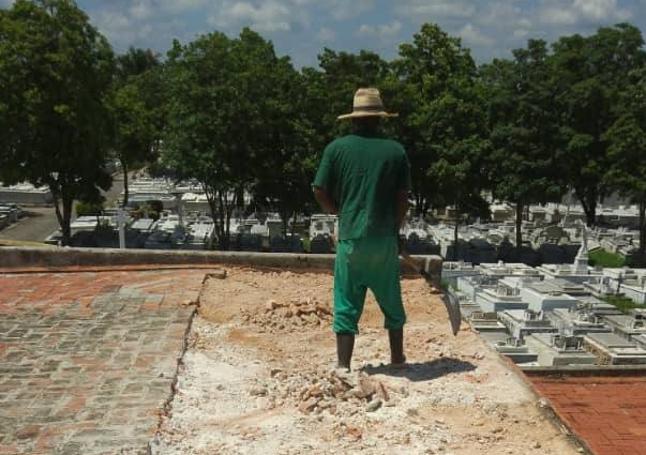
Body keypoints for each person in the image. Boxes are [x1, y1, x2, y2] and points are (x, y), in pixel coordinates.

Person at [312, 87, 411, 371]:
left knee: (346, 301)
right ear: (380, 118)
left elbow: (319, 188)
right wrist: (394, 231)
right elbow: (402, 198)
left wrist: (338, 212)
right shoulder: (395, 151)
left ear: (353, 119)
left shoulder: (336, 149)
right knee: (391, 299)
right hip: (383, 240)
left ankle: (344, 365)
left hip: (351, 240)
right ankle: (397, 359)